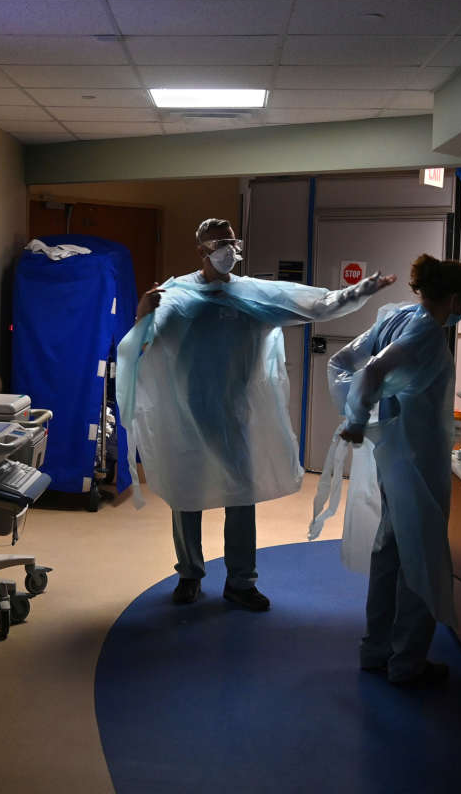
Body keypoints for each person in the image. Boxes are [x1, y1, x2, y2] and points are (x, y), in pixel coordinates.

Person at [117, 218, 395, 612]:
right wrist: (142, 312)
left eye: (233, 242)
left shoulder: (253, 295)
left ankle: (241, 581)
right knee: (187, 495)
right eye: (220, 243)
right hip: (186, 413)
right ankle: (190, 575)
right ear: (201, 249)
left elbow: (317, 302)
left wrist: (364, 288)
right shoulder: (175, 294)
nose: (229, 250)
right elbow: (142, 340)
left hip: (235, 414)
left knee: (241, 495)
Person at [325, 253, 461, 685]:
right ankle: (407, 662)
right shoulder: (426, 330)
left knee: (390, 550)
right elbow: (371, 371)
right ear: (452, 298)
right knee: (420, 558)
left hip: (395, 453)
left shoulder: (399, 317)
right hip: (417, 456)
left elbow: (345, 362)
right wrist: (356, 421)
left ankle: (376, 649)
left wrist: (366, 419)